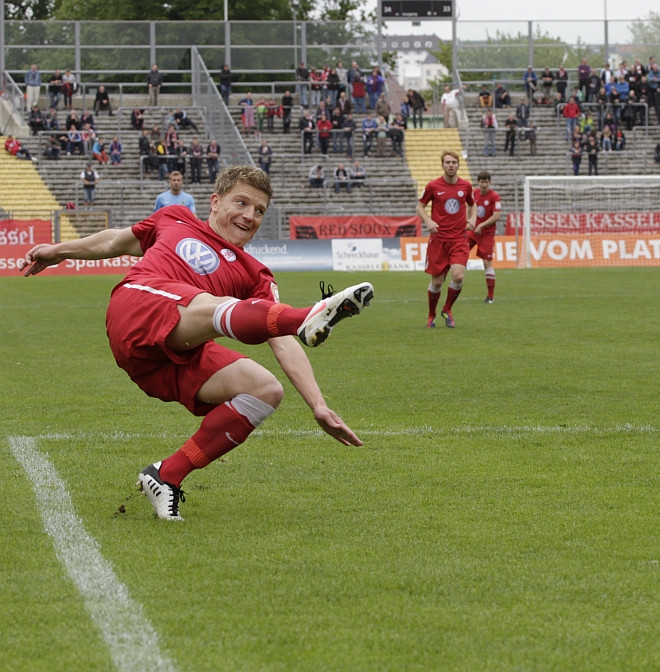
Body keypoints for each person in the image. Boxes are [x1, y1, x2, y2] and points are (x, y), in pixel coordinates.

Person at [18, 165, 374, 521]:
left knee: (265, 390)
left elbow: (279, 340)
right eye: (241, 203)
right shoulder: (174, 217)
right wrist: (59, 250)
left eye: (259, 211)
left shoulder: (256, 274)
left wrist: (318, 405)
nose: (249, 216)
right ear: (215, 202)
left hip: (162, 358)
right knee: (214, 304)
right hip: (137, 309)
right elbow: (114, 242)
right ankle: (305, 316)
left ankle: (166, 475)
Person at [417, 151, 476, 328]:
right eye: (448, 162)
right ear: (442, 165)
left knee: (458, 276)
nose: (451, 165)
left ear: (458, 165)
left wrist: (473, 218)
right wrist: (428, 221)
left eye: (454, 162)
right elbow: (420, 206)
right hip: (438, 240)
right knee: (436, 282)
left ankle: (447, 309)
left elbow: (472, 204)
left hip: (459, 239)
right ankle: (431, 314)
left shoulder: (466, 186)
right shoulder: (433, 186)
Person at [466, 170, 503, 304]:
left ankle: (490, 297)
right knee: (459, 253)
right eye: (482, 182)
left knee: (487, 262)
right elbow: (469, 208)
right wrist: (469, 221)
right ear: (478, 182)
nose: (484, 184)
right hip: (472, 232)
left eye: (486, 182)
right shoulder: (474, 193)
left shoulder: (494, 196)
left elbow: (497, 215)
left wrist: (481, 225)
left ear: (489, 183)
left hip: (486, 233)